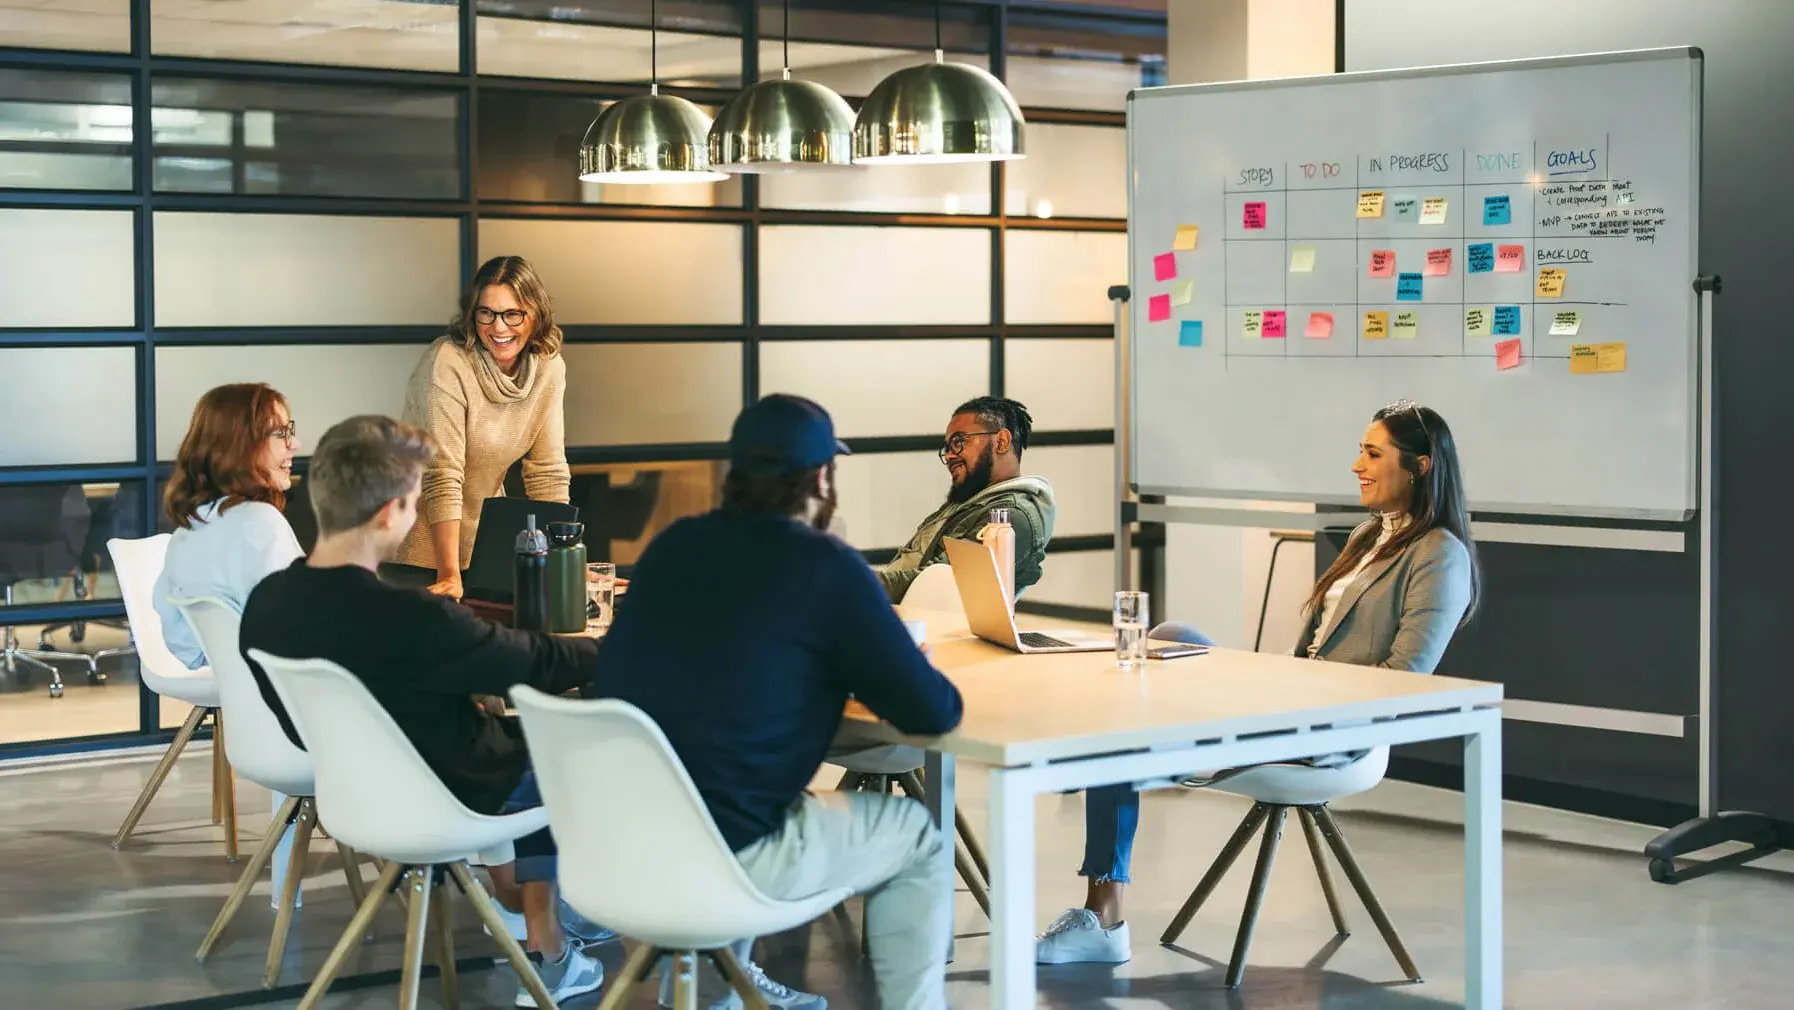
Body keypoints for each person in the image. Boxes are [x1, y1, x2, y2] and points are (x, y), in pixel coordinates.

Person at [1035, 399, 1480, 965]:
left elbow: (1404, 682)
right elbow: (1312, 648)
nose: (1356, 465)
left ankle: (1104, 913)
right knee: (1171, 635)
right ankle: (1122, 751)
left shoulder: (1441, 555)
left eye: (1373, 453)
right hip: (1291, 701)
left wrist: (1294, 693)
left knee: (1118, 740)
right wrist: (1277, 686)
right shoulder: (1368, 535)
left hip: (1332, 731)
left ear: (1420, 467)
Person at [587, 394, 964, 1010]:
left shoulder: (672, 547)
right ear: (821, 480)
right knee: (917, 837)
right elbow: (934, 714)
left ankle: (718, 993)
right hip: (735, 858)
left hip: (615, 844)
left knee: (733, 775)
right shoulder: (826, 567)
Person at [239, 415, 603, 1008]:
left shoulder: (267, 605)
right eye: (414, 502)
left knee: (516, 741)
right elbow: (536, 661)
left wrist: (451, 690)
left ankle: (522, 899)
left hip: (351, 799)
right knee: (558, 746)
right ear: (389, 514)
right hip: (449, 796)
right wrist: (609, 649)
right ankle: (550, 943)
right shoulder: (415, 620)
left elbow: (331, 705)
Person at [398, 255, 571, 599]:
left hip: (485, 545)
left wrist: (566, 565)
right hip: (416, 546)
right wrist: (449, 574)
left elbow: (547, 472)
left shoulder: (548, 367)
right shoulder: (448, 362)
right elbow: (442, 474)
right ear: (472, 314)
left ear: (534, 316)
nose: (499, 327)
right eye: (486, 313)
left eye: (512, 314)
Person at [153, 383, 303, 669]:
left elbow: (185, 647)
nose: (294, 444)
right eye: (280, 433)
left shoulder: (186, 535)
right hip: (292, 696)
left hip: (239, 691)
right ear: (241, 446)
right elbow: (301, 630)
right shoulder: (259, 523)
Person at [878, 396, 1055, 604]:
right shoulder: (969, 502)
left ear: (1002, 442)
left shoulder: (1011, 517)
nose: (950, 456)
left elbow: (938, 586)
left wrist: (860, 584)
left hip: (925, 628)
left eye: (959, 442)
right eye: (948, 448)